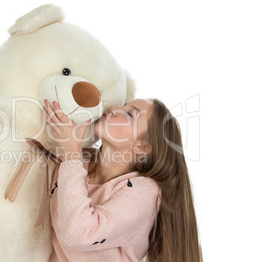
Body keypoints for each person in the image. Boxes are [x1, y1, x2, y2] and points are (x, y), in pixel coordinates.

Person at [43, 98, 202, 262]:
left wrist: (71, 151)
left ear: (141, 146)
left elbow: (77, 234)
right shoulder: (75, 161)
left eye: (129, 114)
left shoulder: (143, 192)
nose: (114, 108)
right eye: (123, 104)